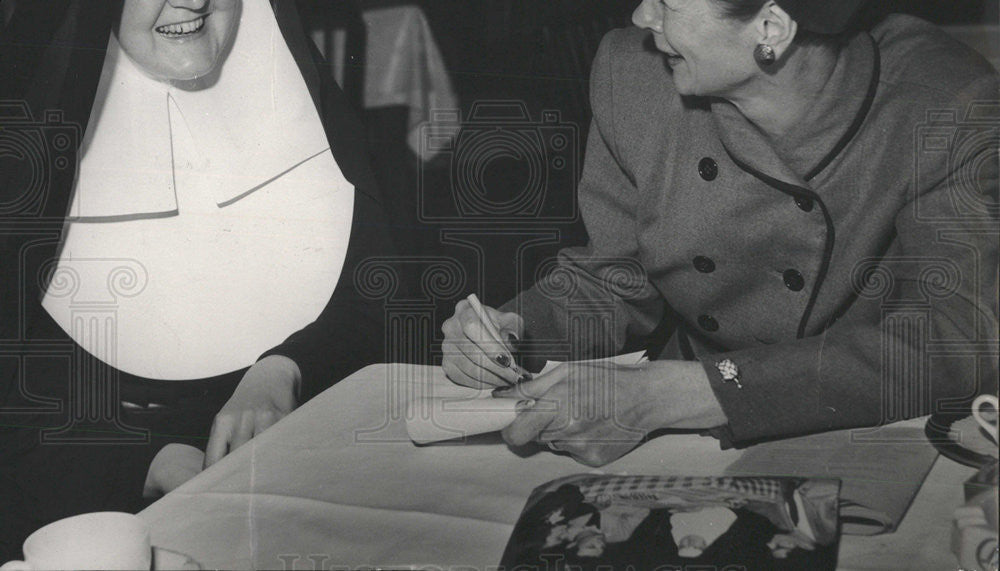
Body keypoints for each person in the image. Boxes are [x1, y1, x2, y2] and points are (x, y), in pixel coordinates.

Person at [442, 0, 999, 466]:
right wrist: (519, 329)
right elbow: (617, 275)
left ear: (771, 28)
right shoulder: (630, 73)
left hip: (868, 425)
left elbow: (953, 337)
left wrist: (693, 392)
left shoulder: (946, 99)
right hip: (685, 435)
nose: (641, 16)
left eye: (666, 2)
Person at [0, 0, 394, 558]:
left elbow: (373, 293)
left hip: (308, 465)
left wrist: (283, 368)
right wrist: (147, 461)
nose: (192, 1)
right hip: (97, 502)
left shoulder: (301, 90)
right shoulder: (23, 142)